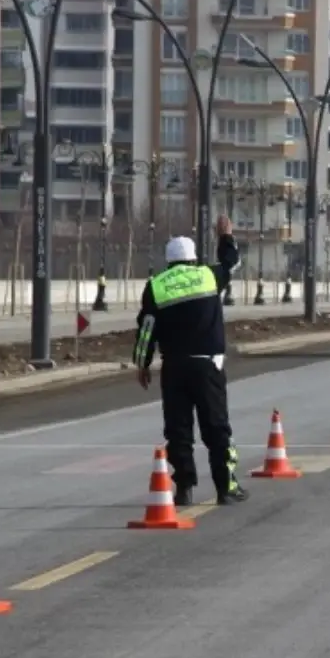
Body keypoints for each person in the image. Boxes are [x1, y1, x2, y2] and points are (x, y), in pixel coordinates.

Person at [132, 216, 248, 507]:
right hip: (208, 365)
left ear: (169, 261)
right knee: (216, 426)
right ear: (193, 259)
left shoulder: (156, 286)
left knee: (178, 429)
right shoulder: (208, 276)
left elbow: (147, 329)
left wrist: (142, 364)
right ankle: (226, 488)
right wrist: (226, 236)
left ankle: (184, 487)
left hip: (174, 368)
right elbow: (232, 262)